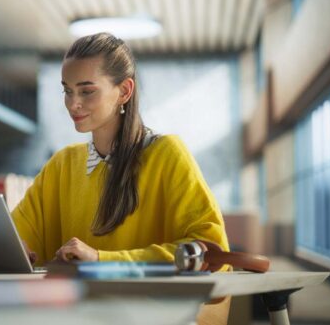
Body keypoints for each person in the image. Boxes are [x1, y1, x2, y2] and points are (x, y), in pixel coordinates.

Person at [12, 32, 231, 324]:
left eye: (87, 91)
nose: (73, 103)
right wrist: (14, 250)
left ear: (124, 91)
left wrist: (102, 262)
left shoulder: (167, 154)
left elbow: (212, 255)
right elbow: (18, 237)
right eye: (67, 91)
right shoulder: (61, 165)